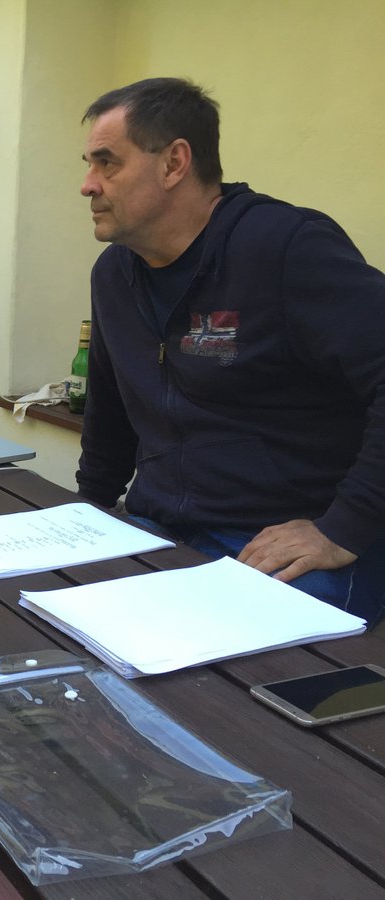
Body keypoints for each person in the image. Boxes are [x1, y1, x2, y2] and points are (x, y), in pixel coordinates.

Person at [76, 77, 385, 627]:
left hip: (282, 548)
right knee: (50, 621)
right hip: (164, 526)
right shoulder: (114, 275)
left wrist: (344, 528)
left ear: (175, 163)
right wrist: (87, 514)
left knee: (219, 696)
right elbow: (110, 410)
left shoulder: (286, 249)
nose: (87, 185)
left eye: (107, 164)